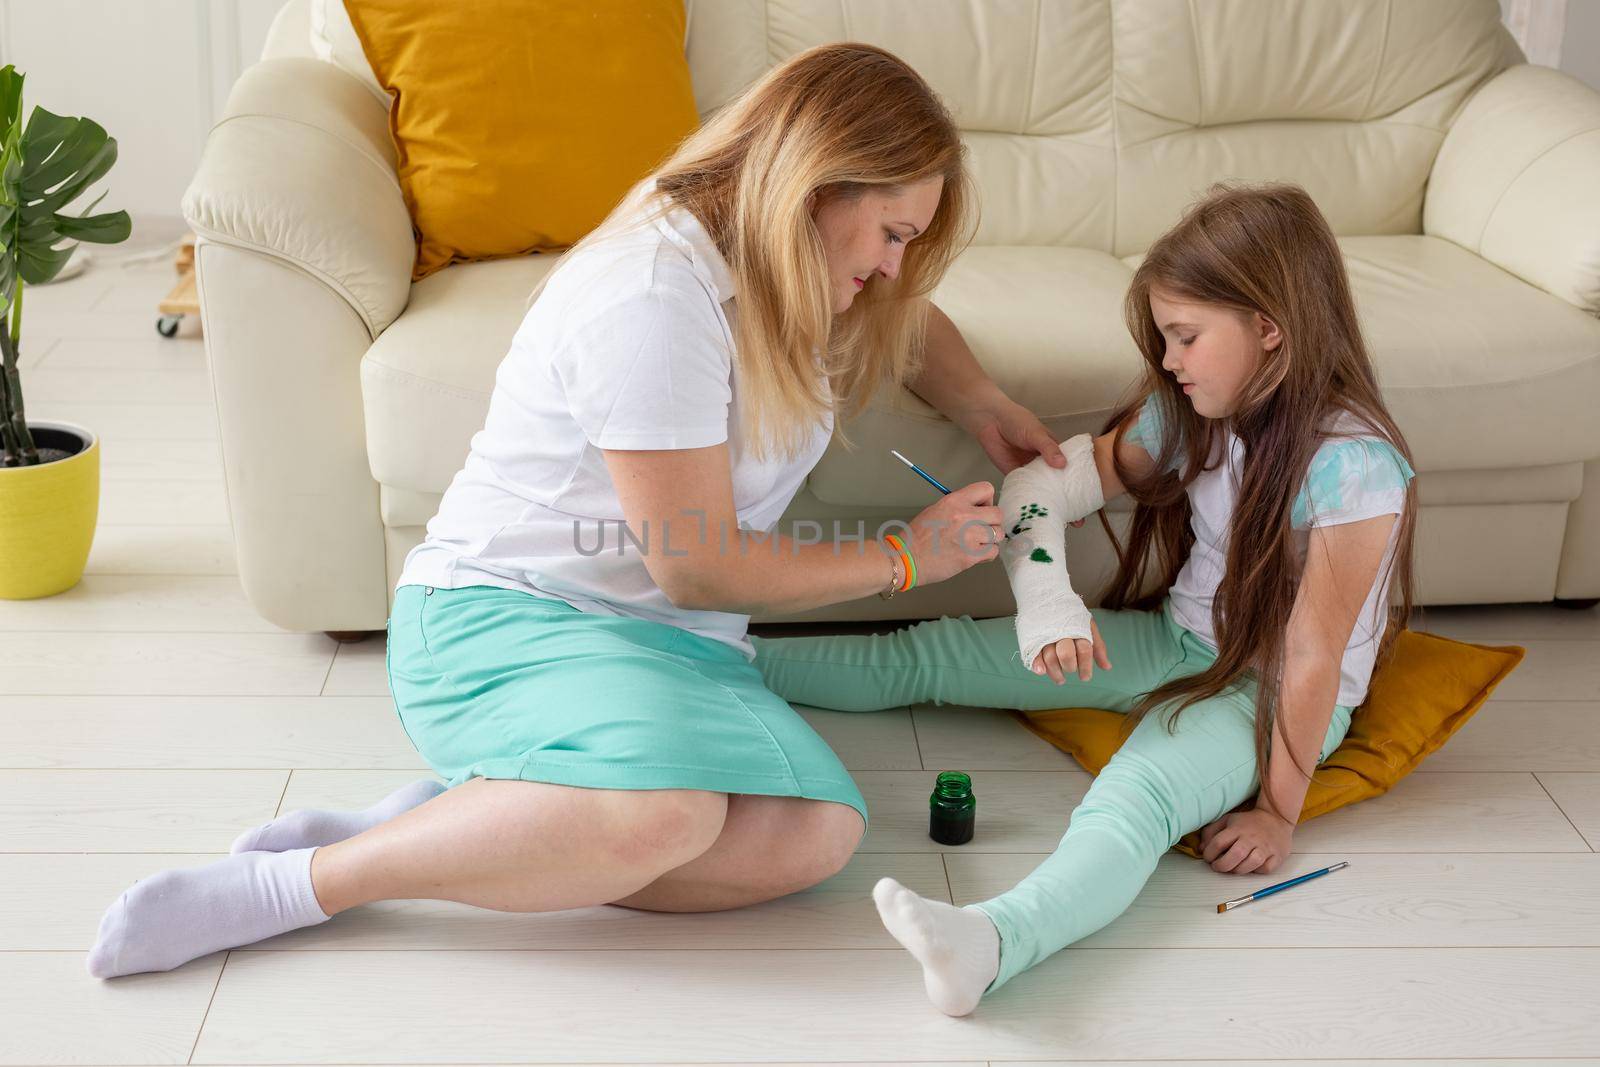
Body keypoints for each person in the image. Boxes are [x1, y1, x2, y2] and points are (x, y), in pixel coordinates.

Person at [86, 43, 1070, 980]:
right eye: (891, 233)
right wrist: (902, 559)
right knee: (664, 817)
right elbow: (698, 563)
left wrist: (981, 401)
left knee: (816, 835)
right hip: (509, 616)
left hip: (671, 642)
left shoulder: (793, 259)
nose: (895, 265)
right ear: (816, 186)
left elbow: (904, 319)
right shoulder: (658, 293)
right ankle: (297, 885)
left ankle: (462, 819)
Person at [750, 182, 1419, 1016]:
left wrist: (1280, 814)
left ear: (1269, 330)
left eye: (1185, 336)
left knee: (1134, 798)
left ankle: (992, 943)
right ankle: (724, 657)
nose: (1169, 360)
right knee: (932, 653)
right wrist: (1049, 607)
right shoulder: (1192, 415)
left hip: (1272, 690)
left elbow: (1315, 655)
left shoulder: (1353, 467)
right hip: (1182, 643)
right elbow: (1039, 486)